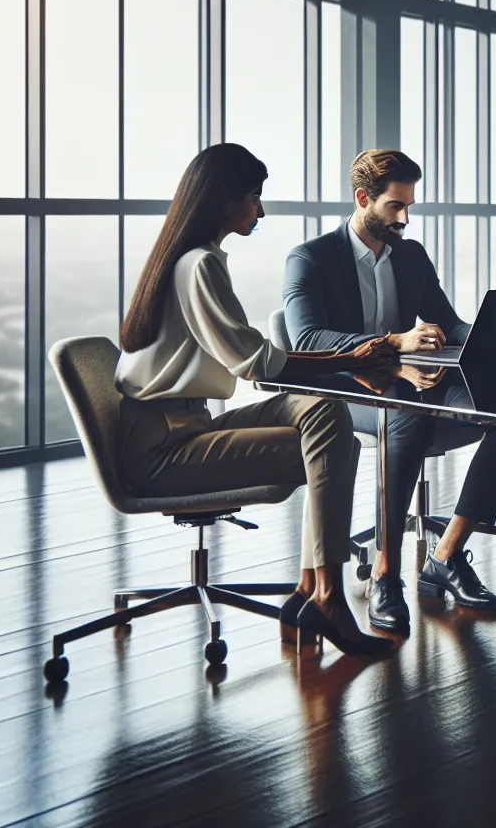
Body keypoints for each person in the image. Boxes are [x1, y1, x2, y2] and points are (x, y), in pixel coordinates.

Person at [115, 142, 396, 657]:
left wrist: (348, 361)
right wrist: (353, 358)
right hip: (163, 451)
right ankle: (325, 596)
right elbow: (259, 365)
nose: (261, 210)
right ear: (224, 199)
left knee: (324, 411)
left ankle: (310, 592)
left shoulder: (188, 259)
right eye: (254, 197)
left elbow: (262, 365)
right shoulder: (197, 265)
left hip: (186, 427)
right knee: (333, 445)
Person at [283, 149, 496, 629]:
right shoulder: (310, 258)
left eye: (410, 206)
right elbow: (306, 340)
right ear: (363, 199)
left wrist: (482, 336)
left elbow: (445, 318)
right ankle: (385, 573)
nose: (405, 218)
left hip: (412, 379)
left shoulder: (410, 255)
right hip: (342, 390)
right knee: (407, 417)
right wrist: (393, 342)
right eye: (395, 207)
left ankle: (447, 554)